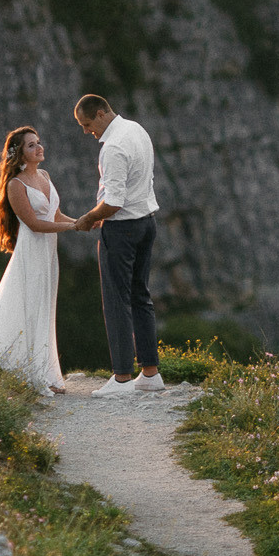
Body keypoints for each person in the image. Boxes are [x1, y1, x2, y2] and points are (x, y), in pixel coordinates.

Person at [0, 126, 78, 394]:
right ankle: (32, 374)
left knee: (45, 307)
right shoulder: (15, 184)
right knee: (31, 307)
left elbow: (56, 214)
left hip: (49, 253)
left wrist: (82, 221)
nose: (39, 148)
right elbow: (35, 224)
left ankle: (48, 373)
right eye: (31, 145)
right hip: (31, 253)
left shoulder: (45, 176)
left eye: (39, 142)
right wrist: (76, 228)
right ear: (19, 155)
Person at [69, 94, 162, 397]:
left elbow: (113, 201)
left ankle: (122, 377)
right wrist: (103, 212)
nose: (86, 131)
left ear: (100, 114)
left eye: (87, 124)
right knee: (140, 296)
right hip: (147, 222)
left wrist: (88, 218)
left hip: (123, 230)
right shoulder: (136, 129)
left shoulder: (113, 147)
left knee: (116, 300)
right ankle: (150, 374)